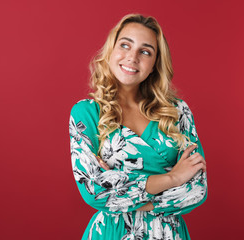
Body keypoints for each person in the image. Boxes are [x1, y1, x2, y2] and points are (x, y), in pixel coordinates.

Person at [69, 13, 207, 240]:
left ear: (154, 64)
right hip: (112, 233)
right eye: (125, 45)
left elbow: (196, 191)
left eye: (145, 51)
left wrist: (119, 186)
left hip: (169, 234)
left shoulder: (177, 111)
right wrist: (173, 178)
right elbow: (95, 192)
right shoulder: (86, 113)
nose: (132, 57)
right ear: (111, 50)